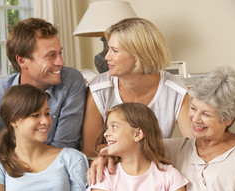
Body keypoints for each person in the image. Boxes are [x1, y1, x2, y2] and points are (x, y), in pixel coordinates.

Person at [87, 102, 218, 191]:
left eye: (114, 127)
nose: (106, 134)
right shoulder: (104, 175)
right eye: (107, 128)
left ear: (138, 134)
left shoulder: (169, 175)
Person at [0, 17, 85, 150]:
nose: (61, 62)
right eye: (51, 55)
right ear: (22, 61)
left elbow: (64, 150)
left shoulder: (70, 81)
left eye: (60, 53)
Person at [82, 17, 192, 158]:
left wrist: (123, 149)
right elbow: (90, 150)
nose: (107, 57)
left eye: (114, 50)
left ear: (138, 55)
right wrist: (146, 149)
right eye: (108, 49)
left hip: (157, 169)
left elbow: (193, 145)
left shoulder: (175, 91)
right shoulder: (99, 89)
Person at [164, 65, 235, 191]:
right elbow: (131, 146)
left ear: (228, 119)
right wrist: (106, 156)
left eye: (206, 114)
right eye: (193, 108)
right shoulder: (174, 149)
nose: (195, 119)